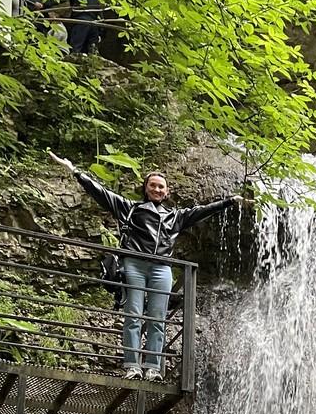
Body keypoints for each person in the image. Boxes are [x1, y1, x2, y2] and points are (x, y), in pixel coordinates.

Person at [48, 152, 243, 380]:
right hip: (135, 264)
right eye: (153, 185)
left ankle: (152, 367)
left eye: (161, 187)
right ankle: (132, 365)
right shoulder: (130, 208)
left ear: (167, 191)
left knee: (158, 318)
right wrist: (74, 171)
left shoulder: (175, 217)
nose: (157, 189)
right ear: (146, 188)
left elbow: (201, 211)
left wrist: (228, 202)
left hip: (162, 268)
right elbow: (101, 193)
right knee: (133, 314)